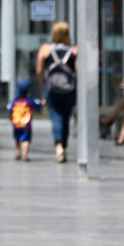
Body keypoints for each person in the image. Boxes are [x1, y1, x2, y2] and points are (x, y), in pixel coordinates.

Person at [36, 21, 78, 163]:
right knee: (66, 118)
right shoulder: (74, 50)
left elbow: (39, 70)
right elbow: (78, 71)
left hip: (52, 89)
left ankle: (59, 146)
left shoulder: (45, 49)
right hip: (69, 90)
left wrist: (43, 87)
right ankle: (63, 145)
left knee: (55, 117)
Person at [7, 79, 43, 161]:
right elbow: (40, 104)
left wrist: (11, 120)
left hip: (16, 124)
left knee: (16, 138)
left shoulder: (14, 101)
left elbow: (8, 110)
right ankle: (25, 155)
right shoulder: (30, 101)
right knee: (25, 140)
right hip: (26, 125)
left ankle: (17, 153)